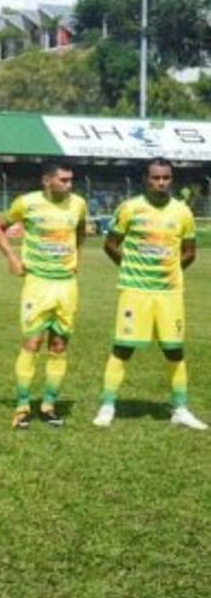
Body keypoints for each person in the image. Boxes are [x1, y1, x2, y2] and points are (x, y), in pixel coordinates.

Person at [93, 157, 205, 430]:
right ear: (146, 178)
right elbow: (110, 244)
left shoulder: (182, 212)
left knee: (174, 350)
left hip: (169, 293)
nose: (161, 183)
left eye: (166, 178)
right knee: (123, 348)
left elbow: (190, 251)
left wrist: (173, 271)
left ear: (171, 179)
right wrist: (130, 268)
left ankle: (180, 408)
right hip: (135, 291)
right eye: (155, 178)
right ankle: (108, 405)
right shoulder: (130, 208)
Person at [0, 160, 87, 429]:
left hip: (67, 284)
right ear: (47, 180)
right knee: (32, 343)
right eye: (63, 180)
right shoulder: (27, 203)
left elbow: (80, 230)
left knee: (59, 345)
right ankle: (22, 406)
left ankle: (48, 406)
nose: (69, 185)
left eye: (71, 180)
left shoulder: (78, 204)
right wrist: (11, 257)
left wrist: (77, 256)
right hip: (38, 283)